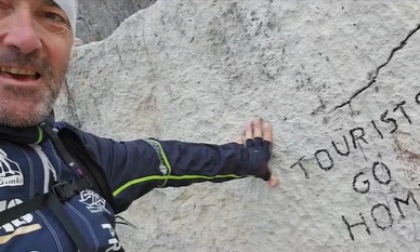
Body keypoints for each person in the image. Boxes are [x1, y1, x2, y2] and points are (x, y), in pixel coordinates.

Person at [0, 0, 278, 251]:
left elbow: (161, 159)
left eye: (51, 15)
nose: (25, 39)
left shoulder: (71, 152)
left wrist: (249, 160)